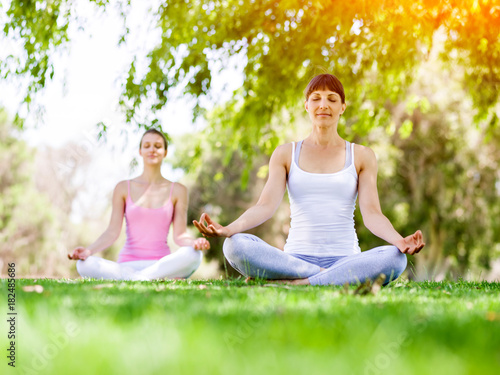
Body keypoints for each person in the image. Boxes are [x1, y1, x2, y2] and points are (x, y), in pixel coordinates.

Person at [194, 73, 425, 286]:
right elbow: (264, 207)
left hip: (345, 259)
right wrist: (229, 229)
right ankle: (324, 277)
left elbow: (372, 214)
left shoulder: (362, 156)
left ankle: (301, 282)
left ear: (342, 107)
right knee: (235, 246)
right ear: (306, 105)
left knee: (396, 259)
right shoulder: (286, 154)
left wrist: (399, 241)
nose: (323, 104)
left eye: (332, 99)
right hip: (295, 259)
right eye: (316, 98)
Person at [68, 129, 209, 281]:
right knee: (83, 265)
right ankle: (143, 278)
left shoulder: (178, 190)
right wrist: (88, 251)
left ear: (165, 152)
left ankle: (135, 278)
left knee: (194, 254)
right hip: (126, 266)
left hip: (161, 265)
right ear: (140, 151)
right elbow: (112, 232)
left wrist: (194, 243)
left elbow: (180, 235)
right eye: (147, 145)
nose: (152, 149)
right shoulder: (122, 188)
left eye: (157, 146)